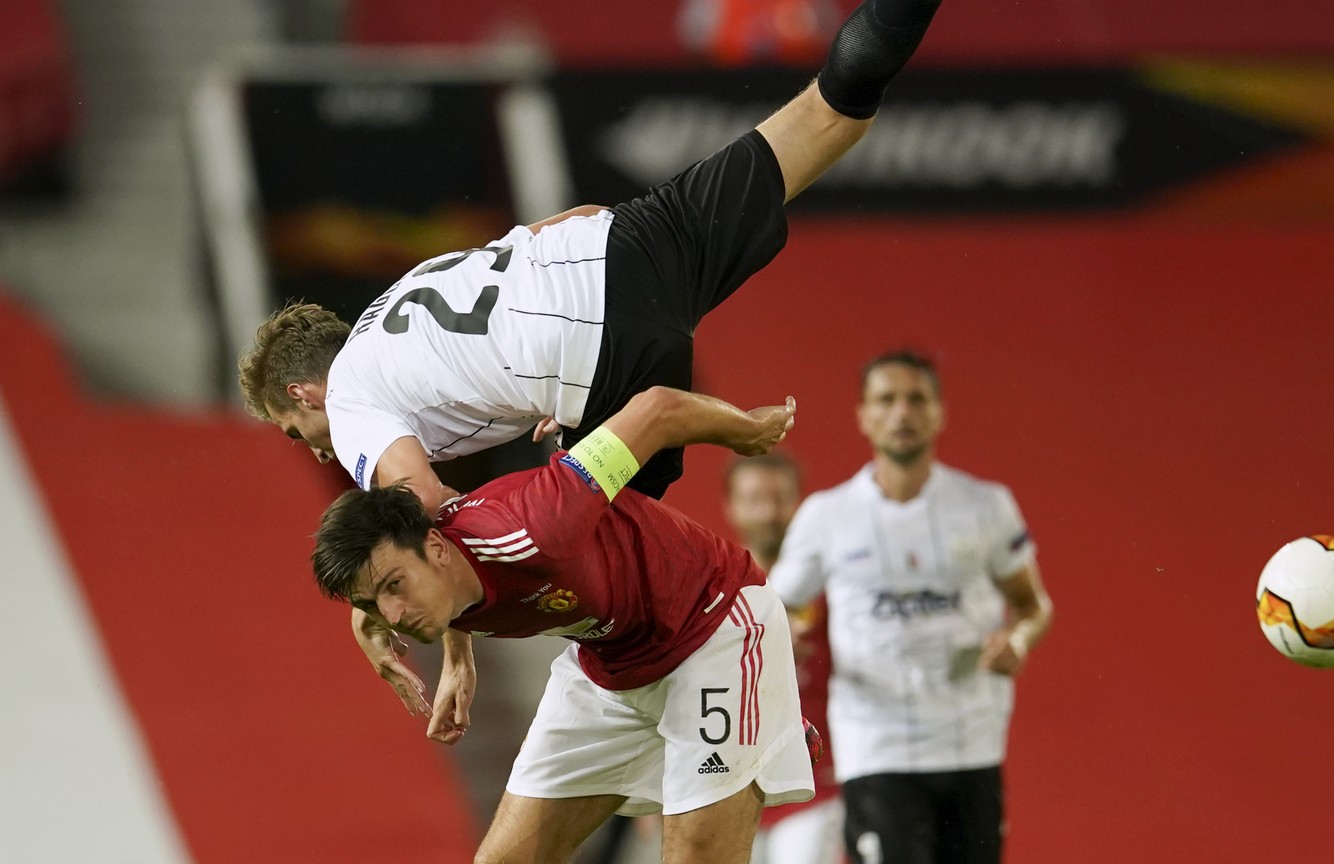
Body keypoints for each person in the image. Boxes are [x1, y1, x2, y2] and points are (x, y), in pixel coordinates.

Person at [237, 0, 948, 733]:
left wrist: (423, 635)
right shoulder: (405, 294)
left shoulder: (351, 404)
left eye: (298, 429)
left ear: (304, 390)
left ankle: (734, 704)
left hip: (611, 354)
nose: (316, 447)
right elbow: (567, 219)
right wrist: (545, 369)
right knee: (834, 107)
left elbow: (421, 509)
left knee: (617, 568)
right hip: (629, 241)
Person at [311, 385, 807, 864]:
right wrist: (457, 661)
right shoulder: (422, 579)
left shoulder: (537, 523)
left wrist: (745, 430)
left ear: (437, 549)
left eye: (395, 586)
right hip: (610, 661)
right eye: (370, 604)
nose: (392, 615)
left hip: (712, 627)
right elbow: (417, 578)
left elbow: (658, 408)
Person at [768, 351, 1054, 864]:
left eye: (916, 399)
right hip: (875, 744)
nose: (902, 412)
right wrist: (782, 631)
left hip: (972, 741)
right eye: (887, 399)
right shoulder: (827, 516)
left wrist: (1018, 639)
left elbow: (1033, 606)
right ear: (864, 416)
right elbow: (773, 607)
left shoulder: (986, 506)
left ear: (940, 413)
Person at [725, 455, 845, 864]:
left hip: (813, 783)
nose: (769, 512)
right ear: (732, 506)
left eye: (779, 499)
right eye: (756, 498)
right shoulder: (713, 586)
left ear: (798, 503)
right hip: (728, 784)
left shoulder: (833, 584)